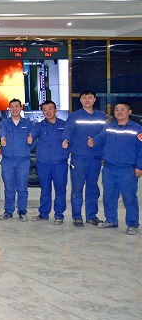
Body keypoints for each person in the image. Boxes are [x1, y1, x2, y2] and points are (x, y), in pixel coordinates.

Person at [89, 102, 142, 235]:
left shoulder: (137, 129)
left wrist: (139, 167)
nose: (119, 112)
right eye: (117, 109)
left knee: (129, 197)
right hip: (109, 168)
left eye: (122, 109)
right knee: (109, 196)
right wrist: (93, 141)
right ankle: (111, 220)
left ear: (129, 112)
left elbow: (141, 149)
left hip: (127, 169)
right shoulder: (109, 127)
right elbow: (100, 138)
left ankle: (132, 224)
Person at [61, 88, 107, 227]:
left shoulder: (101, 116)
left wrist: (96, 141)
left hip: (95, 158)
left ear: (94, 100)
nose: (87, 100)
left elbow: (105, 133)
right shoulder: (74, 116)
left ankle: (91, 216)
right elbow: (68, 130)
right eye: (84, 97)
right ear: (80, 100)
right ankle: (77, 216)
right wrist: (65, 140)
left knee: (93, 187)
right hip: (79, 158)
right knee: (77, 188)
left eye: (90, 97)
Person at [30, 100, 69, 225]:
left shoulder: (64, 125)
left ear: (56, 110)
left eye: (50, 109)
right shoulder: (39, 126)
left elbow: (72, 139)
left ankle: (59, 215)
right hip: (44, 165)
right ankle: (43, 214)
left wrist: (68, 143)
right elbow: (33, 135)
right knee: (45, 190)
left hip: (60, 164)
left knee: (60, 190)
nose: (48, 112)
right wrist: (30, 138)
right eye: (45, 110)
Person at [0, 98, 34, 221]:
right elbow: (2, 132)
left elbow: (32, 140)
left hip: (23, 161)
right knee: (9, 187)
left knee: (22, 188)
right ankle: (8, 211)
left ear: (21, 108)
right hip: (8, 161)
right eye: (12, 107)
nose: (14, 109)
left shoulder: (28, 124)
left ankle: (22, 211)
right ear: (9, 109)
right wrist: (3, 138)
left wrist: (28, 147)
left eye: (17, 106)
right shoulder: (4, 123)